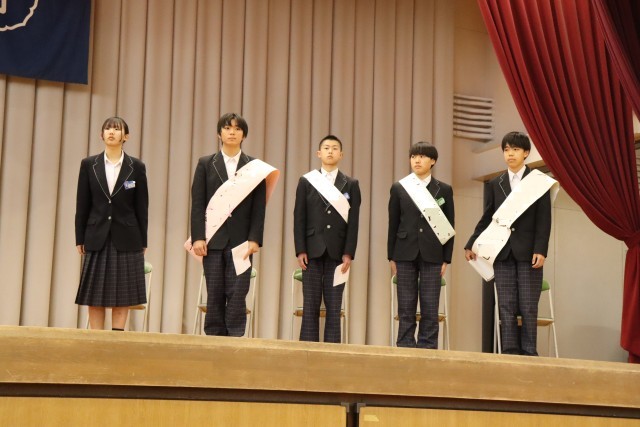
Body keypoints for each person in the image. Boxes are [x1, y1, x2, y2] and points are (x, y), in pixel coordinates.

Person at [464, 131, 552, 356]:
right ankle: (510, 352)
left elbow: (544, 219)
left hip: (529, 253)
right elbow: (488, 217)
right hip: (502, 253)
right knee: (506, 305)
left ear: (526, 153)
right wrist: (471, 242)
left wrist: (541, 250)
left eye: (515, 149)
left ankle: (529, 352)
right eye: (506, 150)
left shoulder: (538, 182)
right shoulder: (496, 183)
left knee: (528, 305)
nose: (510, 154)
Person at [190, 112, 270, 337]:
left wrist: (255, 239)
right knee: (214, 292)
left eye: (237, 128)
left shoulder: (254, 167)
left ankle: (235, 339)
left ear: (244, 135)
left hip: (242, 242)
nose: (232, 132)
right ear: (219, 133)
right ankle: (214, 339)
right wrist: (198, 237)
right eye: (227, 128)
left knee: (238, 292)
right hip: (213, 239)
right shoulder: (206, 163)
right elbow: (198, 203)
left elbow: (259, 207)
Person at [75, 116, 149, 330]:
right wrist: (80, 237)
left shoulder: (136, 166)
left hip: (127, 236)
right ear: (101, 135)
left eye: (117, 129)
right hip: (96, 234)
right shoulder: (89, 164)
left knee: (122, 295)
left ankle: (117, 338)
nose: (111, 132)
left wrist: (143, 240)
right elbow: (82, 204)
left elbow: (142, 206)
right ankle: (95, 340)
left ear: (126, 136)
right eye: (108, 128)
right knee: (95, 295)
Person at [294, 135, 361, 343]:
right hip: (311, 252)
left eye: (334, 148)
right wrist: (300, 249)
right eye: (326, 148)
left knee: (334, 307)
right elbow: (299, 217)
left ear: (341, 154)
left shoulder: (351, 184)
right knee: (310, 305)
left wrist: (348, 253)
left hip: (338, 253)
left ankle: (334, 353)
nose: (330, 151)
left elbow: (354, 222)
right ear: (318, 153)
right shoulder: (306, 181)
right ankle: (307, 350)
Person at [388, 141, 454, 349]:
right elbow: (393, 223)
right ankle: (405, 345)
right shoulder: (400, 187)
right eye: (413, 156)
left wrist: (446, 258)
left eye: (422, 156)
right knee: (406, 305)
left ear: (432, 161)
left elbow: (449, 225)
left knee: (430, 305)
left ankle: (428, 347)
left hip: (433, 253)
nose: (417, 160)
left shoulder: (444, 189)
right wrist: (391, 256)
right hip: (404, 252)